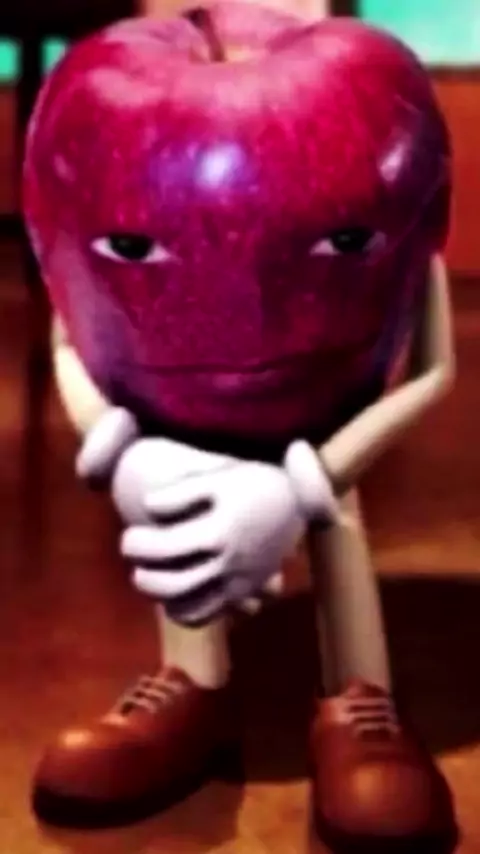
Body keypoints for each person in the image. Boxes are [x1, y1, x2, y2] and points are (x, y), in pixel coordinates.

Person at [24, 6, 458, 850]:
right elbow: (73, 334)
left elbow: (432, 372)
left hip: (322, 434)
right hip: (174, 443)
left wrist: (301, 488)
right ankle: (191, 684)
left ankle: (359, 697)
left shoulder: (402, 227)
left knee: (334, 532)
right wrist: (120, 451)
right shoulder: (85, 201)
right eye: (131, 247)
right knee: (182, 531)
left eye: (348, 238)